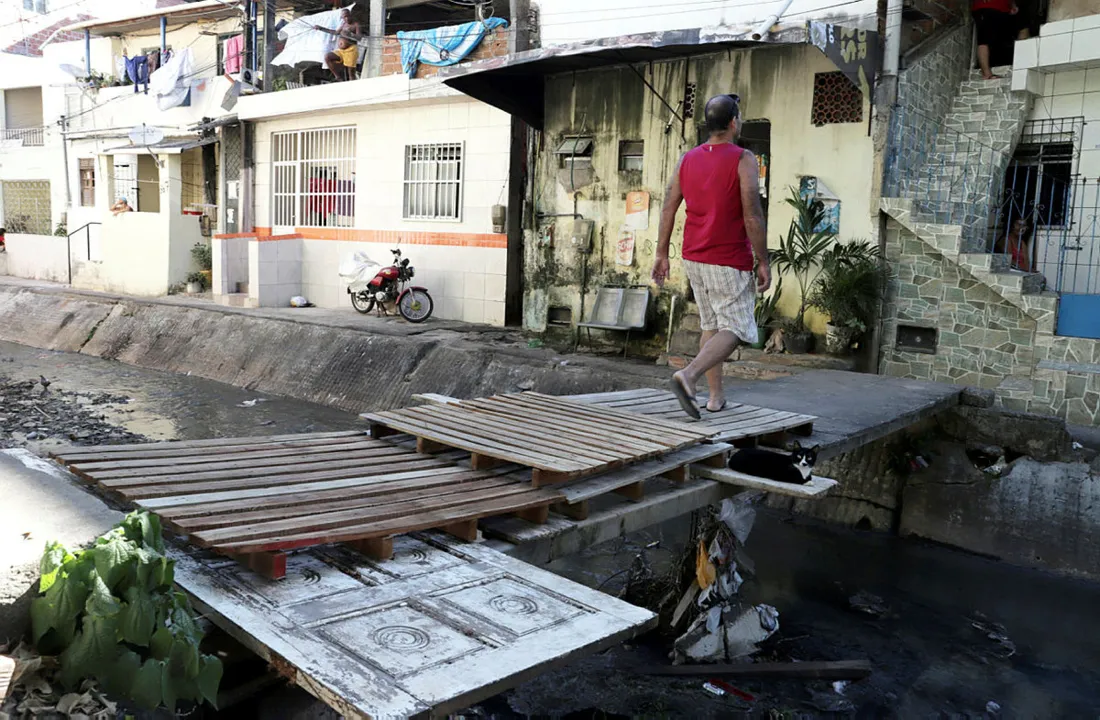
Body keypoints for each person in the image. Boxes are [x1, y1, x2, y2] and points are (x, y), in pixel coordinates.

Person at [652, 94, 770, 419]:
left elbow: (668, 206)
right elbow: (752, 215)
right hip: (727, 257)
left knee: (711, 324)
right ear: (734, 123)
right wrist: (763, 260)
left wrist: (662, 253)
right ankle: (688, 376)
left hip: (694, 257)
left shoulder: (686, 159)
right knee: (736, 326)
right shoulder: (742, 158)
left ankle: (715, 396)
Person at [972, 0, 1018, 80]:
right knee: (984, 40)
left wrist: (1012, 5)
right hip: (986, 7)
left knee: (997, 39)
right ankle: (986, 74)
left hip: (1002, 9)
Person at [323, 9, 361, 81]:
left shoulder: (356, 25)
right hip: (341, 51)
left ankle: (354, 89)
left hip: (351, 50)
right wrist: (321, 28)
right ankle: (338, 77)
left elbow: (359, 38)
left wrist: (351, 35)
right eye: (344, 17)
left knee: (351, 74)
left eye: (347, 16)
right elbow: (335, 32)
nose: (346, 19)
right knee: (327, 57)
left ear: (350, 15)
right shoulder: (343, 24)